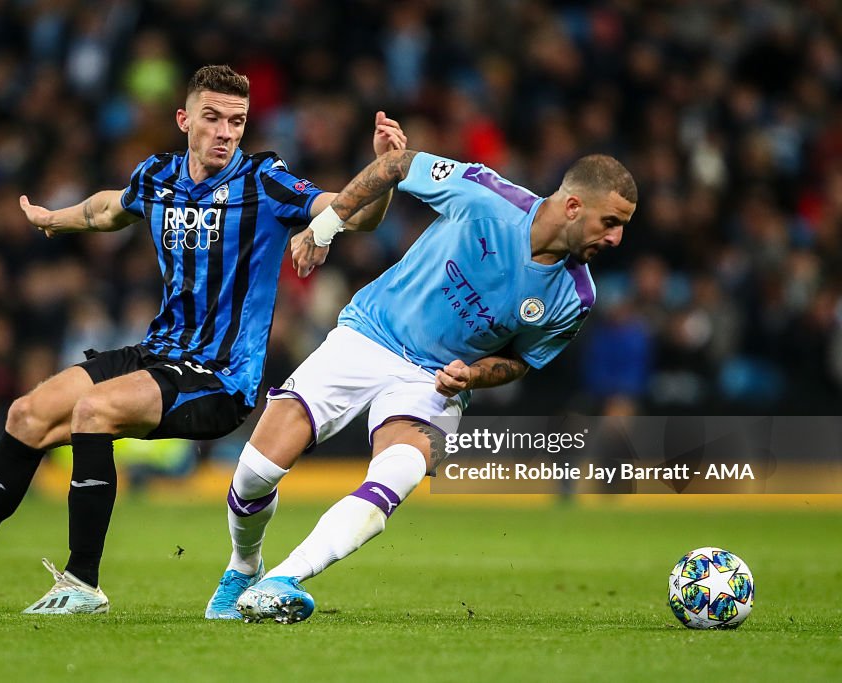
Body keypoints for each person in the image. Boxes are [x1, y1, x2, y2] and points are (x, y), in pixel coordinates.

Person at [0, 65, 407, 615]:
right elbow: (107, 209)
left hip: (219, 376)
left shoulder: (264, 182)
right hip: (158, 352)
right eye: (212, 118)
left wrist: (383, 172)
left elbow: (352, 215)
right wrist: (57, 218)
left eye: (236, 122)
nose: (224, 132)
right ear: (184, 119)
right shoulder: (158, 176)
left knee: (93, 410)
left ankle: (82, 583)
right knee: (27, 414)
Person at [205, 150, 636, 623]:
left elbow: (520, 361)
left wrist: (472, 375)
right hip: (369, 334)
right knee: (255, 472)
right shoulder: (485, 195)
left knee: (400, 470)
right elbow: (397, 164)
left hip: (432, 381)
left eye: (622, 228)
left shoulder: (576, 296)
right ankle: (245, 567)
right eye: (610, 222)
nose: (616, 238)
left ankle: (282, 581)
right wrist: (324, 227)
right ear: (573, 206)